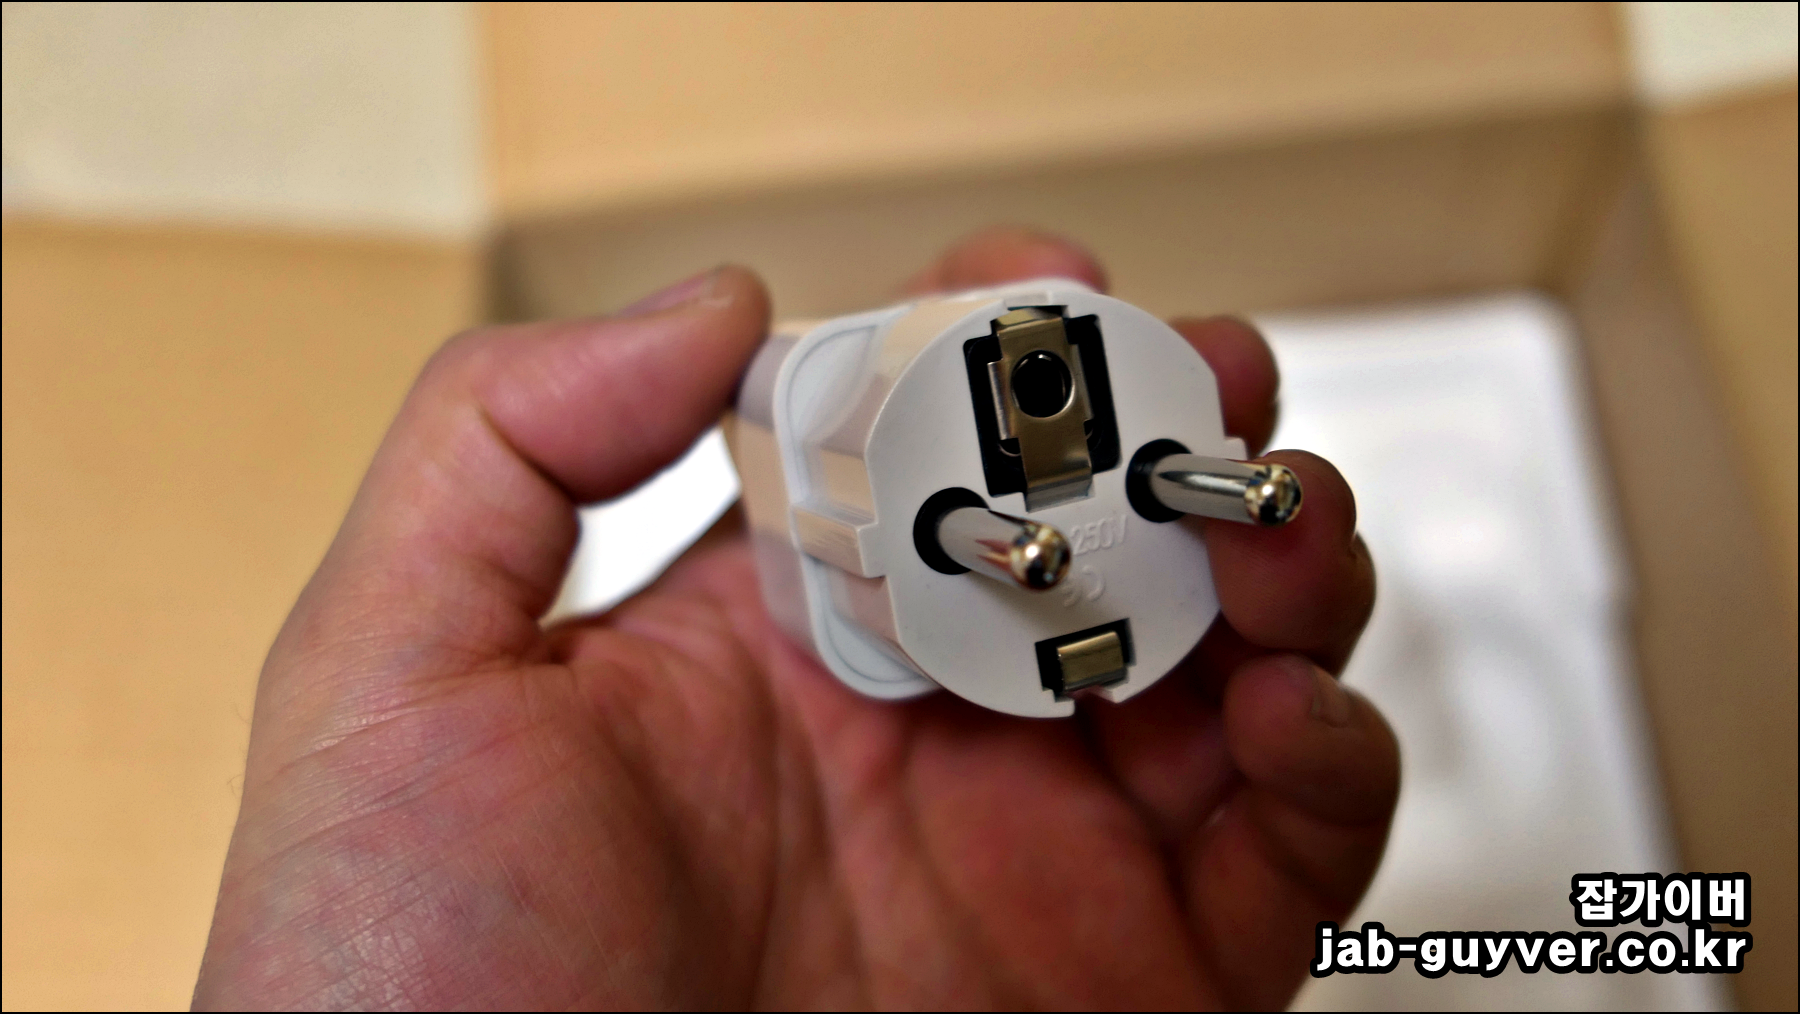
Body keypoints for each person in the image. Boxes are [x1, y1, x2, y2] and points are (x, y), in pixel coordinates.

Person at [191, 228, 1395, 1010]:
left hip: (1016, 615)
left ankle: (1114, 500)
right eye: (1022, 544)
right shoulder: (799, 421)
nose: (1053, 532)